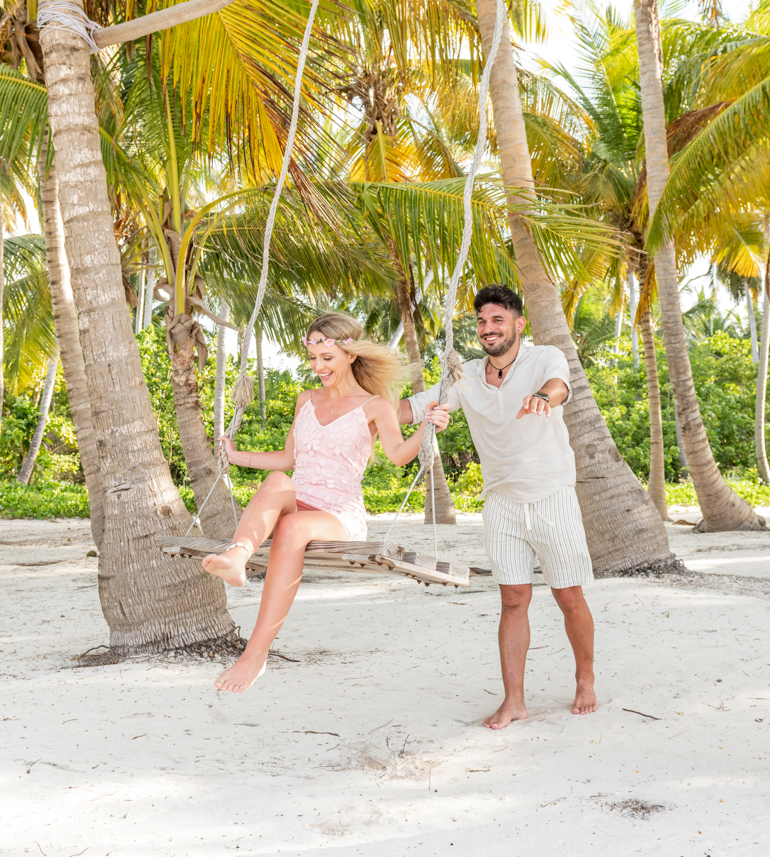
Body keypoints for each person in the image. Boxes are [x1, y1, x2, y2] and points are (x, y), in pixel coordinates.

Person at [202, 312, 450, 693]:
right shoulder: (305, 399)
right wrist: (237, 456)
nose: (318, 367)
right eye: (313, 358)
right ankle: (237, 557)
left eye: (327, 358)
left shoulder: (375, 406)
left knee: (292, 526)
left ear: (350, 355)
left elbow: (399, 455)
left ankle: (255, 654)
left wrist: (426, 428)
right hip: (300, 497)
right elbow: (289, 459)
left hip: (338, 513)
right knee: (278, 481)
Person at [399, 285, 597, 729]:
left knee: (569, 597)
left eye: (497, 320)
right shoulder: (465, 375)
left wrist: (542, 397)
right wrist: (357, 403)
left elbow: (558, 386)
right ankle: (515, 701)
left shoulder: (544, 357)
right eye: (482, 321)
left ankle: (585, 679)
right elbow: (409, 409)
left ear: (518, 324)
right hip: (501, 501)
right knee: (512, 600)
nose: (488, 328)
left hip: (552, 494)